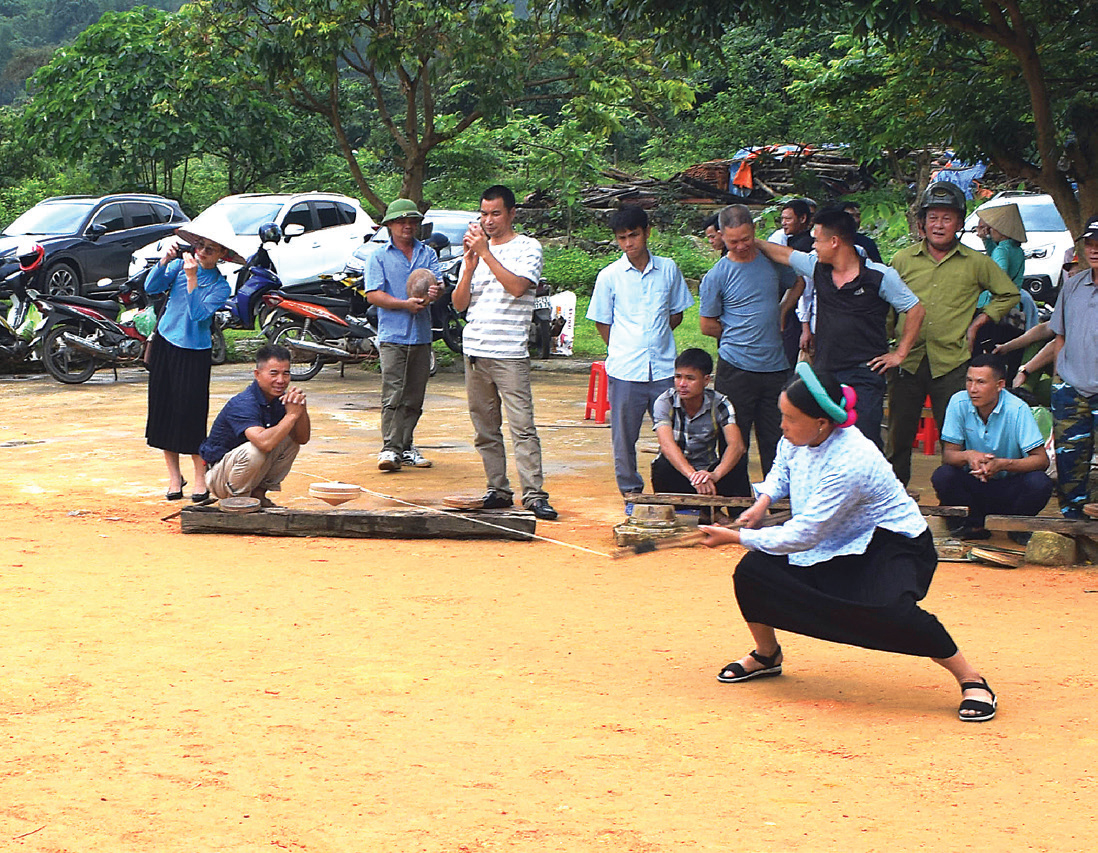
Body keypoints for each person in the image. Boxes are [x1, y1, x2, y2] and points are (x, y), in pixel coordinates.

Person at [699, 363, 997, 723]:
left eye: (790, 418)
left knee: (892, 611)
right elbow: (783, 469)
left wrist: (736, 536)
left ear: (822, 422)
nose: (782, 425)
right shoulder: (798, 433)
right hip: (837, 538)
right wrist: (761, 504)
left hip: (892, 542)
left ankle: (970, 677)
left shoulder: (851, 460)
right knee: (752, 573)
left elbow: (805, 533)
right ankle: (767, 655)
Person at [886, 180, 1020, 486]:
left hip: (952, 363)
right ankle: (892, 506)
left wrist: (979, 322)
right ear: (922, 222)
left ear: (959, 223)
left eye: (947, 218)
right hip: (907, 362)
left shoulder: (976, 263)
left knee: (960, 440)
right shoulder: (902, 260)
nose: (939, 225)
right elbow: (887, 306)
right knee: (898, 438)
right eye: (933, 217)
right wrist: (890, 343)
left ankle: (965, 507)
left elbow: (1008, 294)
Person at [755, 207, 926, 448]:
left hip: (864, 374)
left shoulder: (879, 276)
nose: (813, 246)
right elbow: (784, 254)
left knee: (864, 443)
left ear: (834, 241)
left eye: (817, 240)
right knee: (824, 441)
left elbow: (915, 310)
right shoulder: (817, 267)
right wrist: (750, 240)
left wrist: (900, 353)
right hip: (826, 372)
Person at [453, 185, 557, 521]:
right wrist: (468, 266)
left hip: (509, 352)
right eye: (484, 214)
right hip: (475, 350)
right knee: (485, 429)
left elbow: (516, 288)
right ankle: (497, 489)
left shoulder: (528, 247)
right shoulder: (474, 253)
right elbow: (459, 304)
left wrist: (485, 254)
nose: (489, 220)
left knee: (522, 426)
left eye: (496, 213)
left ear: (512, 213)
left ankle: (534, 494)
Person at [587, 206, 694, 495]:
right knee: (624, 438)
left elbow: (676, 313)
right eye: (622, 238)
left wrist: (655, 337)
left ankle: (674, 488)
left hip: (662, 367)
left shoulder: (668, 269)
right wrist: (623, 346)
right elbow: (602, 321)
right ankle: (631, 491)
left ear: (647, 232)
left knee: (674, 433)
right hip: (625, 369)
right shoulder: (609, 276)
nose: (628, 243)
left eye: (633, 235)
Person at [144, 212, 238, 503]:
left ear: (222, 254)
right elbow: (150, 287)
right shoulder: (178, 266)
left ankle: (200, 477)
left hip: (194, 353)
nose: (202, 252)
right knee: (163, 411)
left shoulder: (220, 286)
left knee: (191, 413)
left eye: (210, 248)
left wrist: (192, 277)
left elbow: (198, 316)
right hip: (165, 343)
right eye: (200, 245)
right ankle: (174, 476)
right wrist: (164, 261)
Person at [700, 204, 797, 477]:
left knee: (778, 440)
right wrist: (738, 333)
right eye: (733, 241)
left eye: (745, 239)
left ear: (755, 230)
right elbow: (707, 325)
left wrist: (782, 310)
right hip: (736, 369)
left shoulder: (771, 262)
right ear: (721, 236)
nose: (741, 246)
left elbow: (797, 282)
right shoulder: (718, 274)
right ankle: (735, 509)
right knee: (733, 441)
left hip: (775, 367)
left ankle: (779, 506)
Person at [931, 354, 1053, 538]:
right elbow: (949, 455)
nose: (973, 389)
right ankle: (972, 524)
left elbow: (1041, 460)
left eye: (981, 382)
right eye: (969, 381)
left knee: (1039, 483)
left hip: (1009, 487)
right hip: (974, 485)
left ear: (1000, 385)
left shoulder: (1018, 409)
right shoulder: (958, 402)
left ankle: (1016, 525)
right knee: (943, 475)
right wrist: (968, 456)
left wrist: (1003, 464)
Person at [365, 198, 442, 472]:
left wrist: (434, 293)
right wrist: (403, 304)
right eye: (401, 221)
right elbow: (373, 294)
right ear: (389, 226)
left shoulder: (428, 254)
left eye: (412, 221)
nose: (407, 226)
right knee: (393, 394)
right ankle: (389, 448)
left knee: (414, 396)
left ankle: (406, 445)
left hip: (421, 335)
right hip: (393, 335)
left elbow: (438, 285)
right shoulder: (378, 256)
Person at [201, 344, 311, 506]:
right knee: (254, 450)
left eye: (285, 373)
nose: (281, 380)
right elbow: (264, 443)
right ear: (257, 375)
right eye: (273, 373)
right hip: (220, 477)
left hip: (248, 472)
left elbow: (301, 438)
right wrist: (292, 415)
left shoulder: (280, 398)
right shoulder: (243, 403)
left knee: (290, 441)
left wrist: (301, 410)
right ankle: (238, 499)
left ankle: (258, 494)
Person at [1045, 214, 1098, 518]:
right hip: (1071, 391)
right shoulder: (1074, 286)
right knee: (1070, 464)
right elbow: (1059, 335)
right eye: (1089, 244)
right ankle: (1073, 525)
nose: (1094, 249)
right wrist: (1059, 381)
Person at [650, 348, 749, 503]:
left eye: (690, 378)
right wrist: (693, 476)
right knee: (662, 464)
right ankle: (705, 512)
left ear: (706, 380)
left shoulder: (720, 403)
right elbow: (667, 445)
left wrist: (714, 474)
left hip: (708, 471)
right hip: (679, 472)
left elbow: (737, 446)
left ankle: (737, 514)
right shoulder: (665, 402)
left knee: (738, 460)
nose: (682, 384)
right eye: (678, 377)